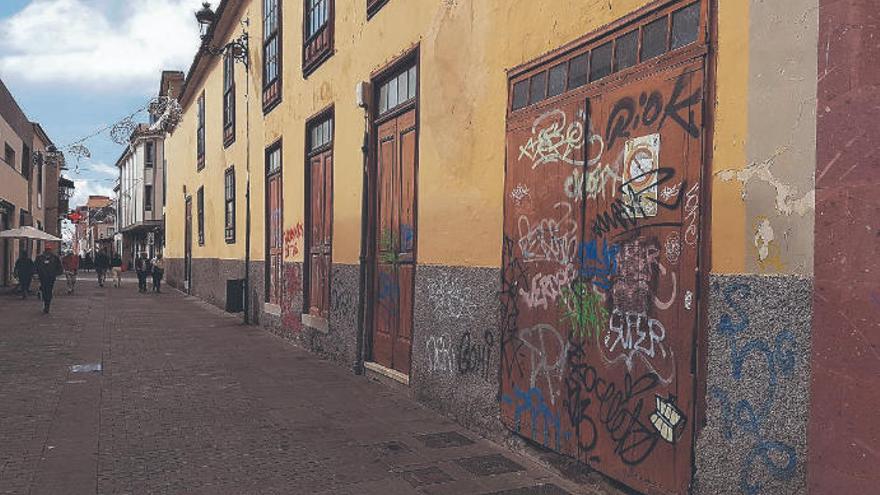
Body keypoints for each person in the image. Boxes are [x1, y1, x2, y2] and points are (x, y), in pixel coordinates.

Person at [35, 246, 62, 314]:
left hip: (51, 277)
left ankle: (47, 304)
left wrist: (55, 274)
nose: (48, 251)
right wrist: (36, 273)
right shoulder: (39, 258)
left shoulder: (55, 258)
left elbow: (59, 267)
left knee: (49, 290)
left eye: (49, 250)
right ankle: (45, 302)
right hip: (43, 277)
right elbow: (36, 266)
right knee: (44, 290)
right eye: (47, 250)